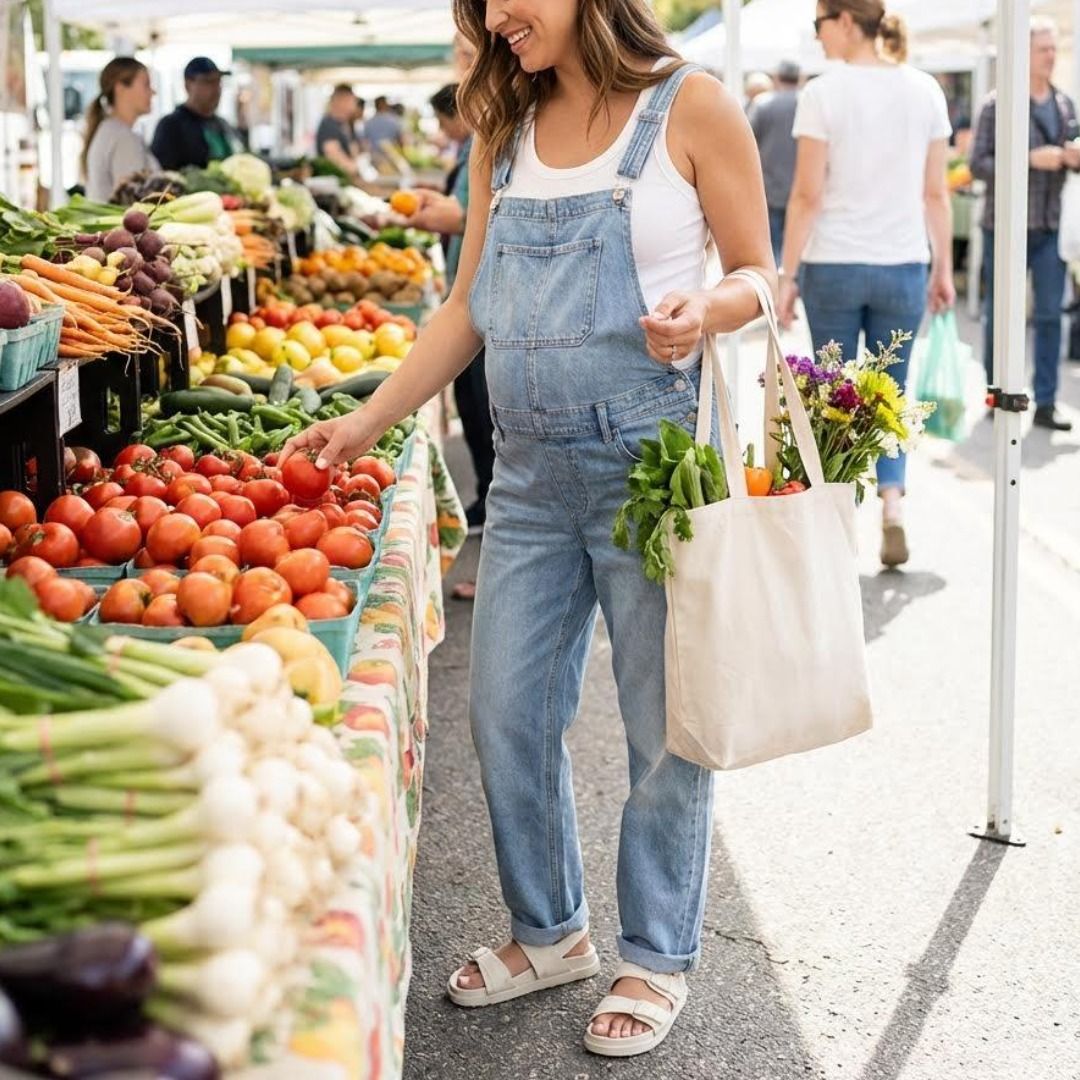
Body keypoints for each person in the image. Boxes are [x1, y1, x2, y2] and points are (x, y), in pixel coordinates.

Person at [281, 0, 773, 1057]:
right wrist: (366, 421)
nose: (497, 18)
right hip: (530, 476)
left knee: (662, 728)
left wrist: (708, 309)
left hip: (650, 469)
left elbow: (759, 273)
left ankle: (656, 953)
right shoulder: (500, 129)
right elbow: (468, 308)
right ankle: (551, 932)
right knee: (505, 709)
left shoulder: (693, 107)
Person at [779, 1, 955, 568]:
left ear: (847, 22)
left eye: (820, 24)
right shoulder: (925, 90)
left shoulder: (822, 94)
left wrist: (785, 276)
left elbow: (807, 196)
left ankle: (836, 529)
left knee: (834, 397)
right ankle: (893, 503)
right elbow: (936, 194)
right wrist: (943, 268)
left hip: (833, 264)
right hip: (903, 264)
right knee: (891, 395)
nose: (817, 36)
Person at [970, 17, 1079, 432]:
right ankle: (996, 394)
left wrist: (1071, 159)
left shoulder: (1065, 104)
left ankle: (1046, 402)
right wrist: (1029, 159)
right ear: (1024, 53)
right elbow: (978, 164)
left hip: (1051, 226)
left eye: (1053, 49)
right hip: (1004, 229)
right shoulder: (997, 105)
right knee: (1001, 316)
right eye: (1043, 49)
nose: (1051, 56)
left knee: (1051, 315)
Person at [411, 83, 494, 602]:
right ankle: (487, 495)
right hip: (470, 295)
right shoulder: (481, 146)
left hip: (479, 297)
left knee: (482, 408)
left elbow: (469, 216)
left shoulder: (492, 139)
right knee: (474, 403)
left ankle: (488, 496)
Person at [748, 59, 801, 264]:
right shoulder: (808, 102)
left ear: (777, 78)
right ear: (799, 78)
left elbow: (748, 141)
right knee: (799, 246)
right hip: (802, 187)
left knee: (773, 247)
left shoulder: (763, 104)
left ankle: (778, 279)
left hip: (770, 187)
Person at [82, 57, 157, 202]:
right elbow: (134, 202)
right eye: (146, 85)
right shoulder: (124, 138)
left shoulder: (109, 130)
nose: (153, 92)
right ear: (120, 89)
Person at [151, 57, 243, 171]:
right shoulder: (171, 126)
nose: (216, 89)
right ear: (188, 85)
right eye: (208, 82)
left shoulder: (223, 124)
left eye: (218, 82)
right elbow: (163, 173)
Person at [315, 84, 362, 181]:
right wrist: (357, 169)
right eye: (352, 100)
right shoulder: (328, 125)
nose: (355, 105)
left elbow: (354, 152)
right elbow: (335, 159)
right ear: (342, 101)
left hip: (345, 180)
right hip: (333, 182)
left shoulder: (345, 124)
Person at [364, 95, 404, 170]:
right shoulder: (394, 120)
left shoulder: (368, 122)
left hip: (375, 159)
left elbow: (365, 143)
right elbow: (401, 140)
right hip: (392, 159)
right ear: (385, 104)